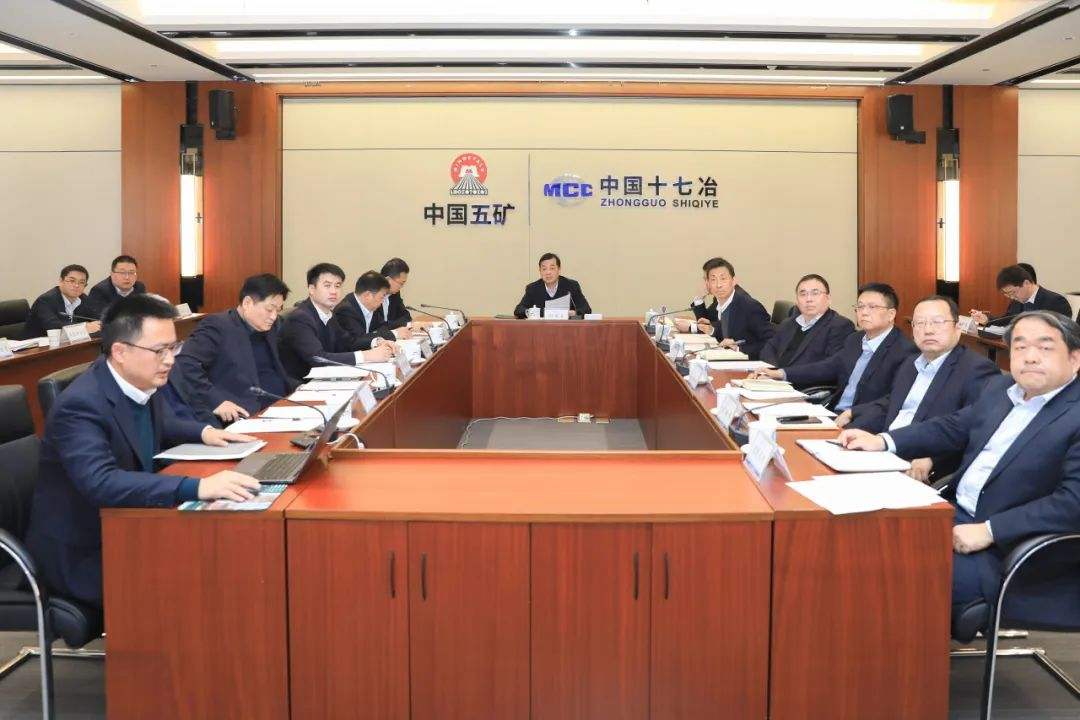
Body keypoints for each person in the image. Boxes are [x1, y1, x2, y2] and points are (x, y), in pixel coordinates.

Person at [839, 311, 1080, 622]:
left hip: (1011, 551)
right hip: (953, 514)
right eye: (1020, 347)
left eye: (1045, 347)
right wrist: (883, 441)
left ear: (1074, 358)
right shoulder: (1002, 390)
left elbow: (1072, 502)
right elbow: (953, 427)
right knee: (858, 537)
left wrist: (990, 530)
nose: (1030, 357)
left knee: (887, 574)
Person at [24, 295, 259, 609]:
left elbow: (161, 424)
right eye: (160, 350)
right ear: (120, 351)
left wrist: (205, 432)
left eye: (174, 347)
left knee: (226, 550)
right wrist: (197, 486)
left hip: (130, 523)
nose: (170, 360)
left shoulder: (139, 382)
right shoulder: (80, 405)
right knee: (205, 576)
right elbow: (101, 481)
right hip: (85, 550)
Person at [837, 295, 1000, 481]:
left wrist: (932, 458)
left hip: (917, 466)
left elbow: (970, 428)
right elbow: (893, 404)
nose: (928, 330)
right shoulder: (910, 363)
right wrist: (852, 422)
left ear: (957, 328)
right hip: (884, 453)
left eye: (938, 322)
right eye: (920, 323)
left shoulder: (977, 369)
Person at [757, 283, 916, 411]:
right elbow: (828, 367)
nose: (864, 312)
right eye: (860, 306)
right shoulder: (855, 340)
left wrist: (851, 415)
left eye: (872, 307)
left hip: (864, 424)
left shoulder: (904, 351)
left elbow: (892, 401)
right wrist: (781, 373)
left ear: (891, 314)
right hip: (834, 412)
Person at [172, 273, 295, 426]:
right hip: (246, 415)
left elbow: (272, 370)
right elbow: (184, 364)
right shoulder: (217, 326)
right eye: (269, 309)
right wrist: (217, 401)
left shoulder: (270, 328)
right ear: (247, 303)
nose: (274, 316)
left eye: (278, 310)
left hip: (282, 406)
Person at [279, 263, 398, 379]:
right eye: (327, 285)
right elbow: (318, 359)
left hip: (326, 378)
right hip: (301, 385)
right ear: (312, 289)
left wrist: (376, 342)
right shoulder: (300, 318)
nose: (333, 291)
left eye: (337, 286)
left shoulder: (329, 315)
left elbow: (348, 343)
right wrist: (366, 356)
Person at [686, 257, 774, 360]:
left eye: (723, 279)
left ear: (734, 281)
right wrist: (713, 330)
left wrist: (739, 348)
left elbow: (772, 343)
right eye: (713, 280)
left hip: (752, 365)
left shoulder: (750, 307)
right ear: (708, 284)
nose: (719, 285)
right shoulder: (723, 303)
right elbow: (731, 331)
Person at [759, 274, 854, 367]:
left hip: (804, 377)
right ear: (797, 300)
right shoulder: (788, 323)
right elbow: (768, 350)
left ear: (828, 299)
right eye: (803, 294)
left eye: (815, 293)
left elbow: (830, 367)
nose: (809, 299)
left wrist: (783, 374)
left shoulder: (840, 326)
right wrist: (772, 371)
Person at [969, 264, 1072, 326]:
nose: (1012, 297)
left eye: (1013, 292)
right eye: (1007, 294)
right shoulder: (1016, 302)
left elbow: (1064, 332)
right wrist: (987, 319)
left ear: (1026, 283)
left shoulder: (1056, 302)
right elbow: (1006, 321)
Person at [23, 264, 102, 338]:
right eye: (72, 281)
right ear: (61, 281)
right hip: (38, 346)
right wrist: (84, 327)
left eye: (81, 282)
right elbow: (53, 326)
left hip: (70, 344)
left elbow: (97, 317)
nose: (76, 285)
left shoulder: (83, 298)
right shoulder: (45, 301)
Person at [333, 271, 404, 348]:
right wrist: (394, 334)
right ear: (368, 295)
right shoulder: (346, 310)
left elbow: (382, 326)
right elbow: (357, 339)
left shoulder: (370, 307)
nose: (382, 301)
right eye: (381, 297)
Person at [513, 252, 592, 318]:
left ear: (559, 269)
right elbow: (518, 310)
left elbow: (587, 309)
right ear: (540, 271)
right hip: (542, 329)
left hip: (565, 329)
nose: (548, 272)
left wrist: (574, 313)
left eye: (552, 268)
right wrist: (535, 312)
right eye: (544, 269)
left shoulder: (571, 286)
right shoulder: (533, 288)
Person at [381, 257, 426, 338]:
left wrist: (410, 324)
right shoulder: (373, 296)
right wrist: (408, 325)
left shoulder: (394, 293)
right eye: (401, 283)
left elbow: (405, 316)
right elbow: (379, 324)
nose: (402, 286)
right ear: (388, 280)